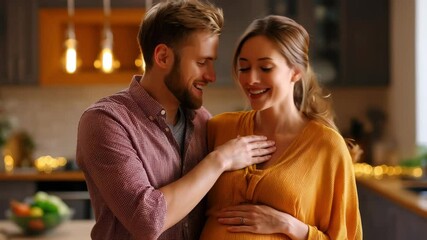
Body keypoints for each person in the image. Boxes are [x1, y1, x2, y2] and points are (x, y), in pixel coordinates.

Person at [76, 1, 276, 240]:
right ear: (162, 57)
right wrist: (220, 159)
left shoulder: (202, 120)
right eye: (201, 63)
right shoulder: (105, 120)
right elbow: (147, 220)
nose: (211, 76)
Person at [200, 15, 363, 240]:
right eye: (244, 68)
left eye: (265, 68)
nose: (251, 79)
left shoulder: (327, 146)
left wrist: (291, 226)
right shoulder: (218, 129)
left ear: (296, 72)